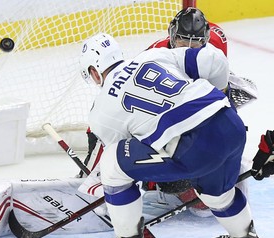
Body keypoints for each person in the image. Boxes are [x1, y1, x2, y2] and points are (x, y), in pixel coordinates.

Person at [79, 32, 263, 238]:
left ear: (93, 72)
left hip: (193, 147)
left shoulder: (100, 111)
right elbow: (215, 60)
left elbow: (129, 163)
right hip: (230, 125)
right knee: (216, 192)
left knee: (112, 163)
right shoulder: (153, 55)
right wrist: (220, 99)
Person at [79, 7, 258, 217]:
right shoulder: (155, 53)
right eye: (183, 40)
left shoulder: (215, 43)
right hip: (174, 122)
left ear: (206, 39)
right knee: (194, 193)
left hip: (199, 118)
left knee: (204, 198)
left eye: (197, 41)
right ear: (172, 37)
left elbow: (215, 83)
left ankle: (222, 172)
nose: (190, 46)